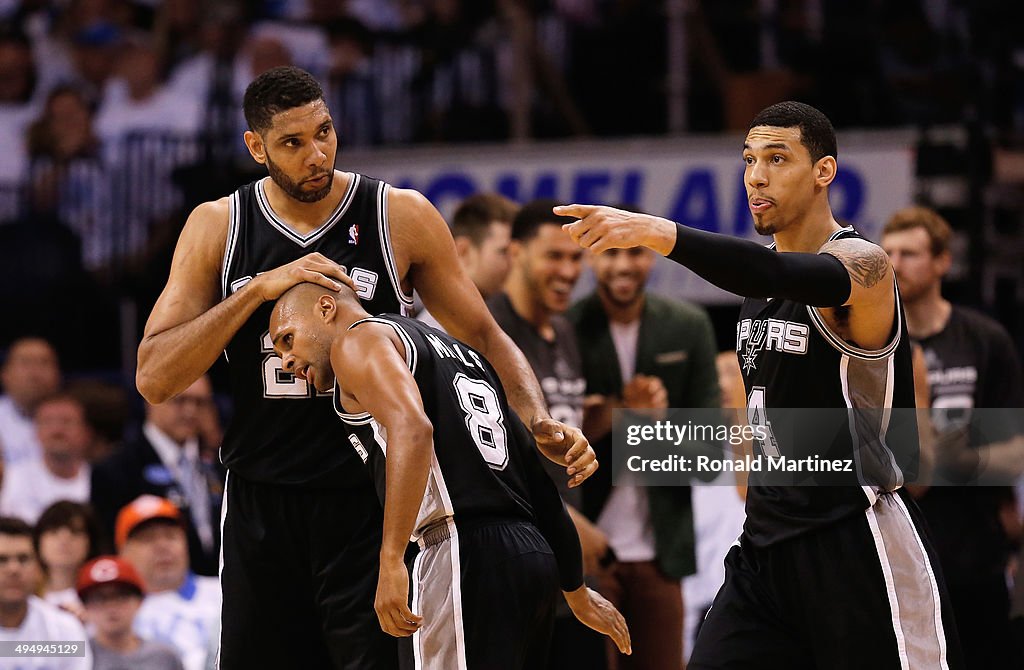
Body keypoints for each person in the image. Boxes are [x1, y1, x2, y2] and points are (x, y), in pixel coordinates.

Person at [135, 65, 594, 669]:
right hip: (260, 500)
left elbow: (485, 334)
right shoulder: (219, 225)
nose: (316, 154)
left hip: (370, 501)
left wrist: (535, 417)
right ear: (256, 148)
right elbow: (153, 377)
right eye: (292, 144)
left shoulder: (396, 213)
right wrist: (254, 293)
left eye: (324, 133)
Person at [557, 100, 964, 668]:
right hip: (765, 546)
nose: (756, 175)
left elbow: (774, 272)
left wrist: (659, 231)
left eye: (777, 158)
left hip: (852, 535)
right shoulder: (760, 281)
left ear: (824, 171)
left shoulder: (863, 264)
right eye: (749, 159)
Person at [268, 281, 629, 669]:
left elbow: (412, 428)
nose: (286, 360)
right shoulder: (464, 355)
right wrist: (575, 590)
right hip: (530, 554)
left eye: (288, 339)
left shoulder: (357, 341)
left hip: (458, 552)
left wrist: (390, 560)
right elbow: (536, 480)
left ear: (327, 308)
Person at [882, 205, 1024, 669]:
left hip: (974, 550)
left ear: (943, 261)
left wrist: (935, 455)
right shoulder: (874, 343)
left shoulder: (985, 340)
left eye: (911, 253)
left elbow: (1013, 452)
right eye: (889, 253)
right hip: (898, 550)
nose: (897, 263)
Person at [569, 238, 720, 670]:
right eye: (610, 253)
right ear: (592, 259)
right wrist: (618, 412)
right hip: (587, 549)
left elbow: (709, 453)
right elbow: (548, 442)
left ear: (651, 257)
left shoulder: (688, 325)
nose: (623, 264)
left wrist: (649, 422)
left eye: (634, 252)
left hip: (661, 551)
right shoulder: (567, 325)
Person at [485, 198, 605, 668]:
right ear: (516, 253)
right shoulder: (489, 331)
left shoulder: (565, 332)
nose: (569, 270)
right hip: (516, 560)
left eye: (576, 258)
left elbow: (553, 429)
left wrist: (613, 412)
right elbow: (486, 457)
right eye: (554, 256)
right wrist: (570, 524)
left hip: (569, 568)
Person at [92, 376, 224, 576]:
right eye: (180, 400)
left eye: (200, 403)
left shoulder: (221, 464)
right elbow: (109, 546)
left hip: (217, 594)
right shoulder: (115, 468)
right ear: (150, 399)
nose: (190, 411)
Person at [116, 496, 219, 670]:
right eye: (148, 538)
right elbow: (66, 653)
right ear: (123, 552)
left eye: (171, 536)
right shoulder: (108, 610)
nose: (162, 546)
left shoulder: (228, 593)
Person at [0, 516, 92, 669]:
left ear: (38, 567)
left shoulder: (65, 629)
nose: (13, 569)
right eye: (2, 560)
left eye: (23, 559)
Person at [417, 192, 517, 329]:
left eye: (516, 253)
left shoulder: (509, 321)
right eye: (504, 252)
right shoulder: (433, 335)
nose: (515, 263)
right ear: (463, 251)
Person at [78, 555, 185, 670]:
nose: (111, 606)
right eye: (100, 598)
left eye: (121, 596)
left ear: (139, 601)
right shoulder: (73, 650)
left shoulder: (164, 656)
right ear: (85, 606)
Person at [0, 393, 92, 524]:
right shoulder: (12, 477)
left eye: (67, 422)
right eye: (47, 422)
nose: (57, 430)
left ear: (86, 432)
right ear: (35, 432)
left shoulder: (100, 480)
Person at [33, 501, 105, 616]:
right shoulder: (24, 595)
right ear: (38, 542)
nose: (64, 540)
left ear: (90, 543)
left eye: (75, 532)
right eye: (54, 532)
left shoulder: (105, 595)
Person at [0, 337, 61, 468]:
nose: (35, 373)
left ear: (58, 374)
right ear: (5, 375)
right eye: (25, 363)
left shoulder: (77, 418)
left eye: (44, 363)